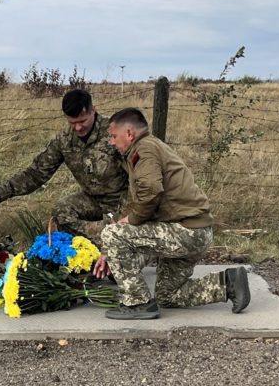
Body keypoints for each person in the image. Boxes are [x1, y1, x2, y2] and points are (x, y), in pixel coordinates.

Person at [93, 107, 251, 320]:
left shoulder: (145, 150)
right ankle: (228, 283)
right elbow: (138, 202)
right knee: (168, 296)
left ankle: (136, 303)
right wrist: (112, 247)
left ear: (129, 134)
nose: (111, 142)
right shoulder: (144, 150)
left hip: (186, 231)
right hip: (192, 231)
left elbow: (150, 192)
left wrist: (119, 230)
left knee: (111, 234)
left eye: (113, 136)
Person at [0, 89, 127, 240]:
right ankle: (93, 245)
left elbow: (141, 174)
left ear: (93, 110)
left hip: (124, 200)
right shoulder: (64, 140)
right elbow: (36, 174)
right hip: (93, 200)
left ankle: (107, 239)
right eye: (72, 122)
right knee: (61, 212)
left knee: (122, 229)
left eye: (82, 121)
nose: (78, 128)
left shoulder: (115, 132)